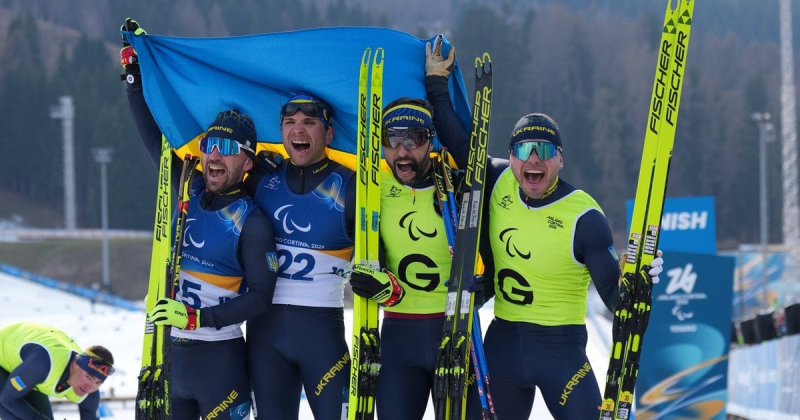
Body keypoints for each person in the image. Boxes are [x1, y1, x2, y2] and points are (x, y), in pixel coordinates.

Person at [424, 38, 664, 419]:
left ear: (560, 160)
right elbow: (458, 142)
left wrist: (637, 280)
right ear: (511, 157)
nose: (533, 160)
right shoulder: (496, 180)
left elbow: (617, 302)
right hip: (502, 345)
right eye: (523, 150)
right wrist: (437, 85)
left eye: (545, 151)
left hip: (561, 353)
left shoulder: (584, 217)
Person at [121, 18, 278, 420]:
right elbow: (153, 139)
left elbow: (261, 298)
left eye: (227, 148)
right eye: (210, 144)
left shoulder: (252, 222)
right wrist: (135, 75)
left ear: (247, 162)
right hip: (167, 356)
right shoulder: (186, 188)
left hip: (219, 362)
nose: (214, 155)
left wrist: (196, 318)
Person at [347, 98, 483, 419]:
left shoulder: (457, 187)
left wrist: (438, 89)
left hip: (455, 332)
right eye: (392, 140)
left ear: (431, 141)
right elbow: (370, 257)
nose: (402, 151)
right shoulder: (370, 188)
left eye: (414, 139)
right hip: (399, 339)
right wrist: (377, 284)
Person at [243, 92, 357, 419]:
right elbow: (207, 192)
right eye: (289, 122)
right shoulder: (260, 180)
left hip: (322, 334)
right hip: (264, 335)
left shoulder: (350, 186)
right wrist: (135, 84)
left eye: (309, 122)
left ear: (329, 134)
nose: (298, 130)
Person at [0, 322, 115, 420]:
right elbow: (7, 400)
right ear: (75, 364)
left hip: (28, 367)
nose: (90, 387)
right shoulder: (43, 364)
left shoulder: (89, 393)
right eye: (88, 377)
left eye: (98, 382)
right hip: (6, 350)